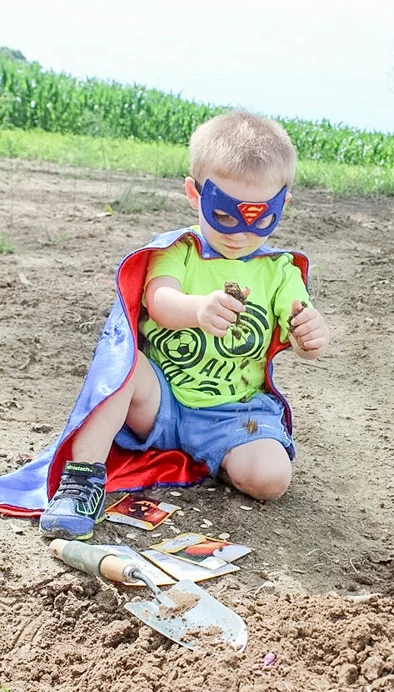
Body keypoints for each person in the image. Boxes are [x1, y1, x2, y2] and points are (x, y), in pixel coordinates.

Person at [28, 110, 330, 540]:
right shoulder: (180, 250)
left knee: (271, 480)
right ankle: (83, 476)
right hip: (160, 401)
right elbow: (159, 300)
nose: (240, 233)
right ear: (194, 193)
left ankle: (219, 457)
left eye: (260, 217)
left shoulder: (280, 271)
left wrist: (311, 336)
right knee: (125, 364)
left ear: (283, 204)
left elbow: (301, 327)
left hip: (237, 413)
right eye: (224, 214)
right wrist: (198, 310)